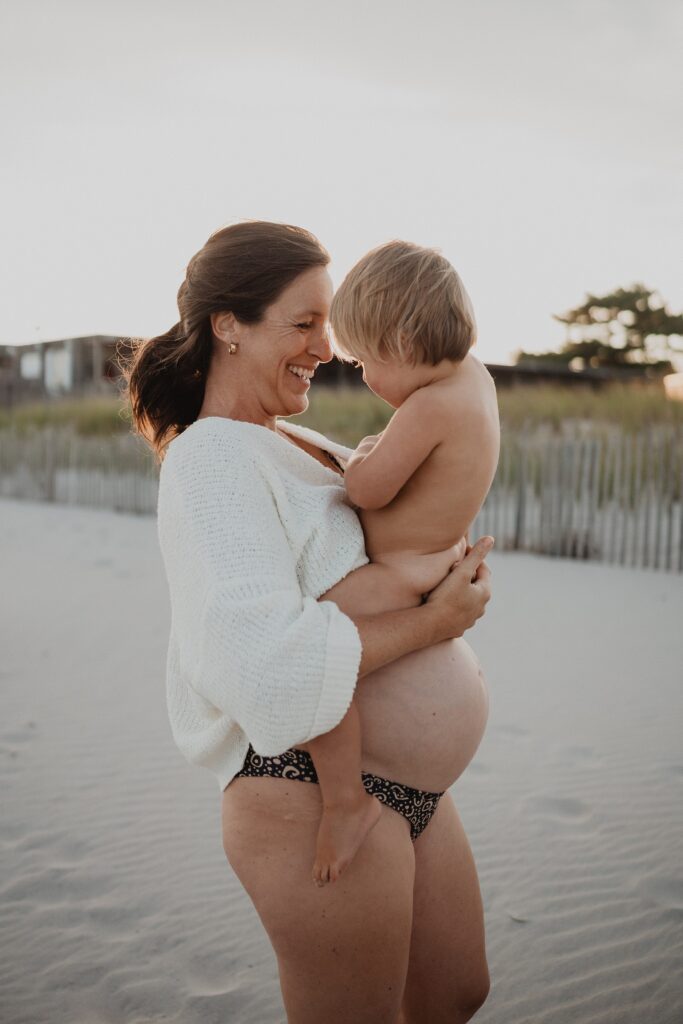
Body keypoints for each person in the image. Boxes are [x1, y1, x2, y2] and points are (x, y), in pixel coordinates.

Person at [121, 220, 494, 1024]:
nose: (326, 348)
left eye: (328, 325)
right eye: (302, 323)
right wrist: (434, 625)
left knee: (454, 995)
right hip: (304, 786)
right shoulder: (211, 456)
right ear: (228, 326)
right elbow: (261, 659)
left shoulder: (297, 441)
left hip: (411, 782)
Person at [302, 240, 500, 887]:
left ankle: (341, 802)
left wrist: (359, 458)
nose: (361, 375)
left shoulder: (427, 405)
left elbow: (367, 491)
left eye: (365, 361)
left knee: (316, 659)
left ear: (406, 341)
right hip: (435, 558)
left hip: (400, 574)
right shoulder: (472, 380)